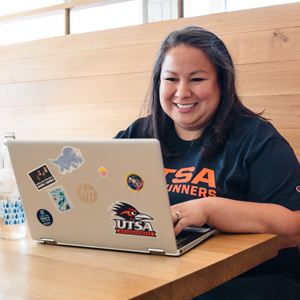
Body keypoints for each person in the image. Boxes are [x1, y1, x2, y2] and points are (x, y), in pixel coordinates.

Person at [115, 26, 300, 299]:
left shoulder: (258, 140)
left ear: (222, 84)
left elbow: (293, 228)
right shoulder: (139, 134)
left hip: (254, 277)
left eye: (197, 79)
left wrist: (209, 209)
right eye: (171, 79)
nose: (182, 92)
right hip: (166, 272)